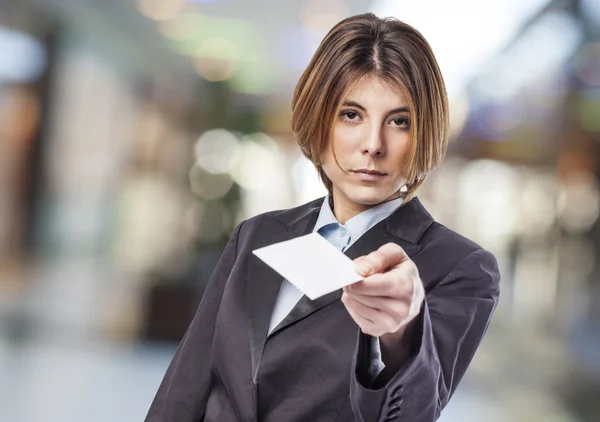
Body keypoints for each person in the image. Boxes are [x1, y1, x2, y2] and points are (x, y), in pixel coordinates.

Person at [146, 13, 500, 422]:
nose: (373, 144)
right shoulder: (258, 235)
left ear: (424, 134)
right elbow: (185, 387)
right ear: (320, 120)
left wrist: (401, 334)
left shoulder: (458, 267)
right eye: (352, 115)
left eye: (399, 122)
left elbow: (413, 413)